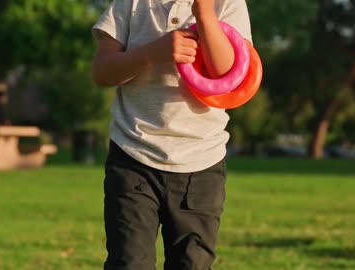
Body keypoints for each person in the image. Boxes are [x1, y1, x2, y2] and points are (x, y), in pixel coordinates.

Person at [91, 0, 252, 269]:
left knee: (192, 264)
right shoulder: (131, 3)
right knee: (128, 262)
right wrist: (152, 54)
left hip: (201, 162)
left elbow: (228, 74)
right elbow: (101, 72)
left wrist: (203, 13)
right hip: (134, 155)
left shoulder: (227, 3)